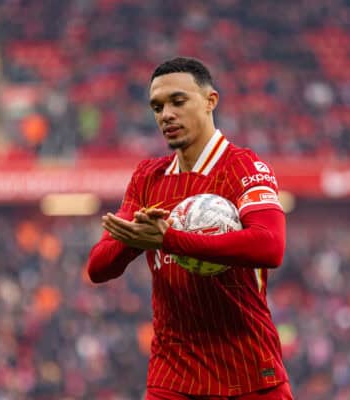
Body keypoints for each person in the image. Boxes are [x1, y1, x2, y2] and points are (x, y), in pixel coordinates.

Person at [87, 57, 293, 400]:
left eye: (178, 101)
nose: (166, 114)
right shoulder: (147, 177)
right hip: (174, 376)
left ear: (211, 100)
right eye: (157, 106)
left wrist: (169, 239)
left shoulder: (244, 167)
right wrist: (138, 239)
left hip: (249, 371)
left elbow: (270, 246)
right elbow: (98, 267)